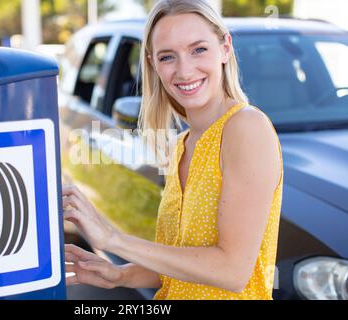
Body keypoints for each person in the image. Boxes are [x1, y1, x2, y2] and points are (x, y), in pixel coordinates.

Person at [63, 0, 283, 300]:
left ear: (225, 48)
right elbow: (183, 261)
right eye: (168, 57)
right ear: (154, 64)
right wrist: (120, 275)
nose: (184, 70)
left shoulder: (246, 128)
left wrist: (113, 239)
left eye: (198, 49)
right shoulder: (182, 144)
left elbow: (232, 270)